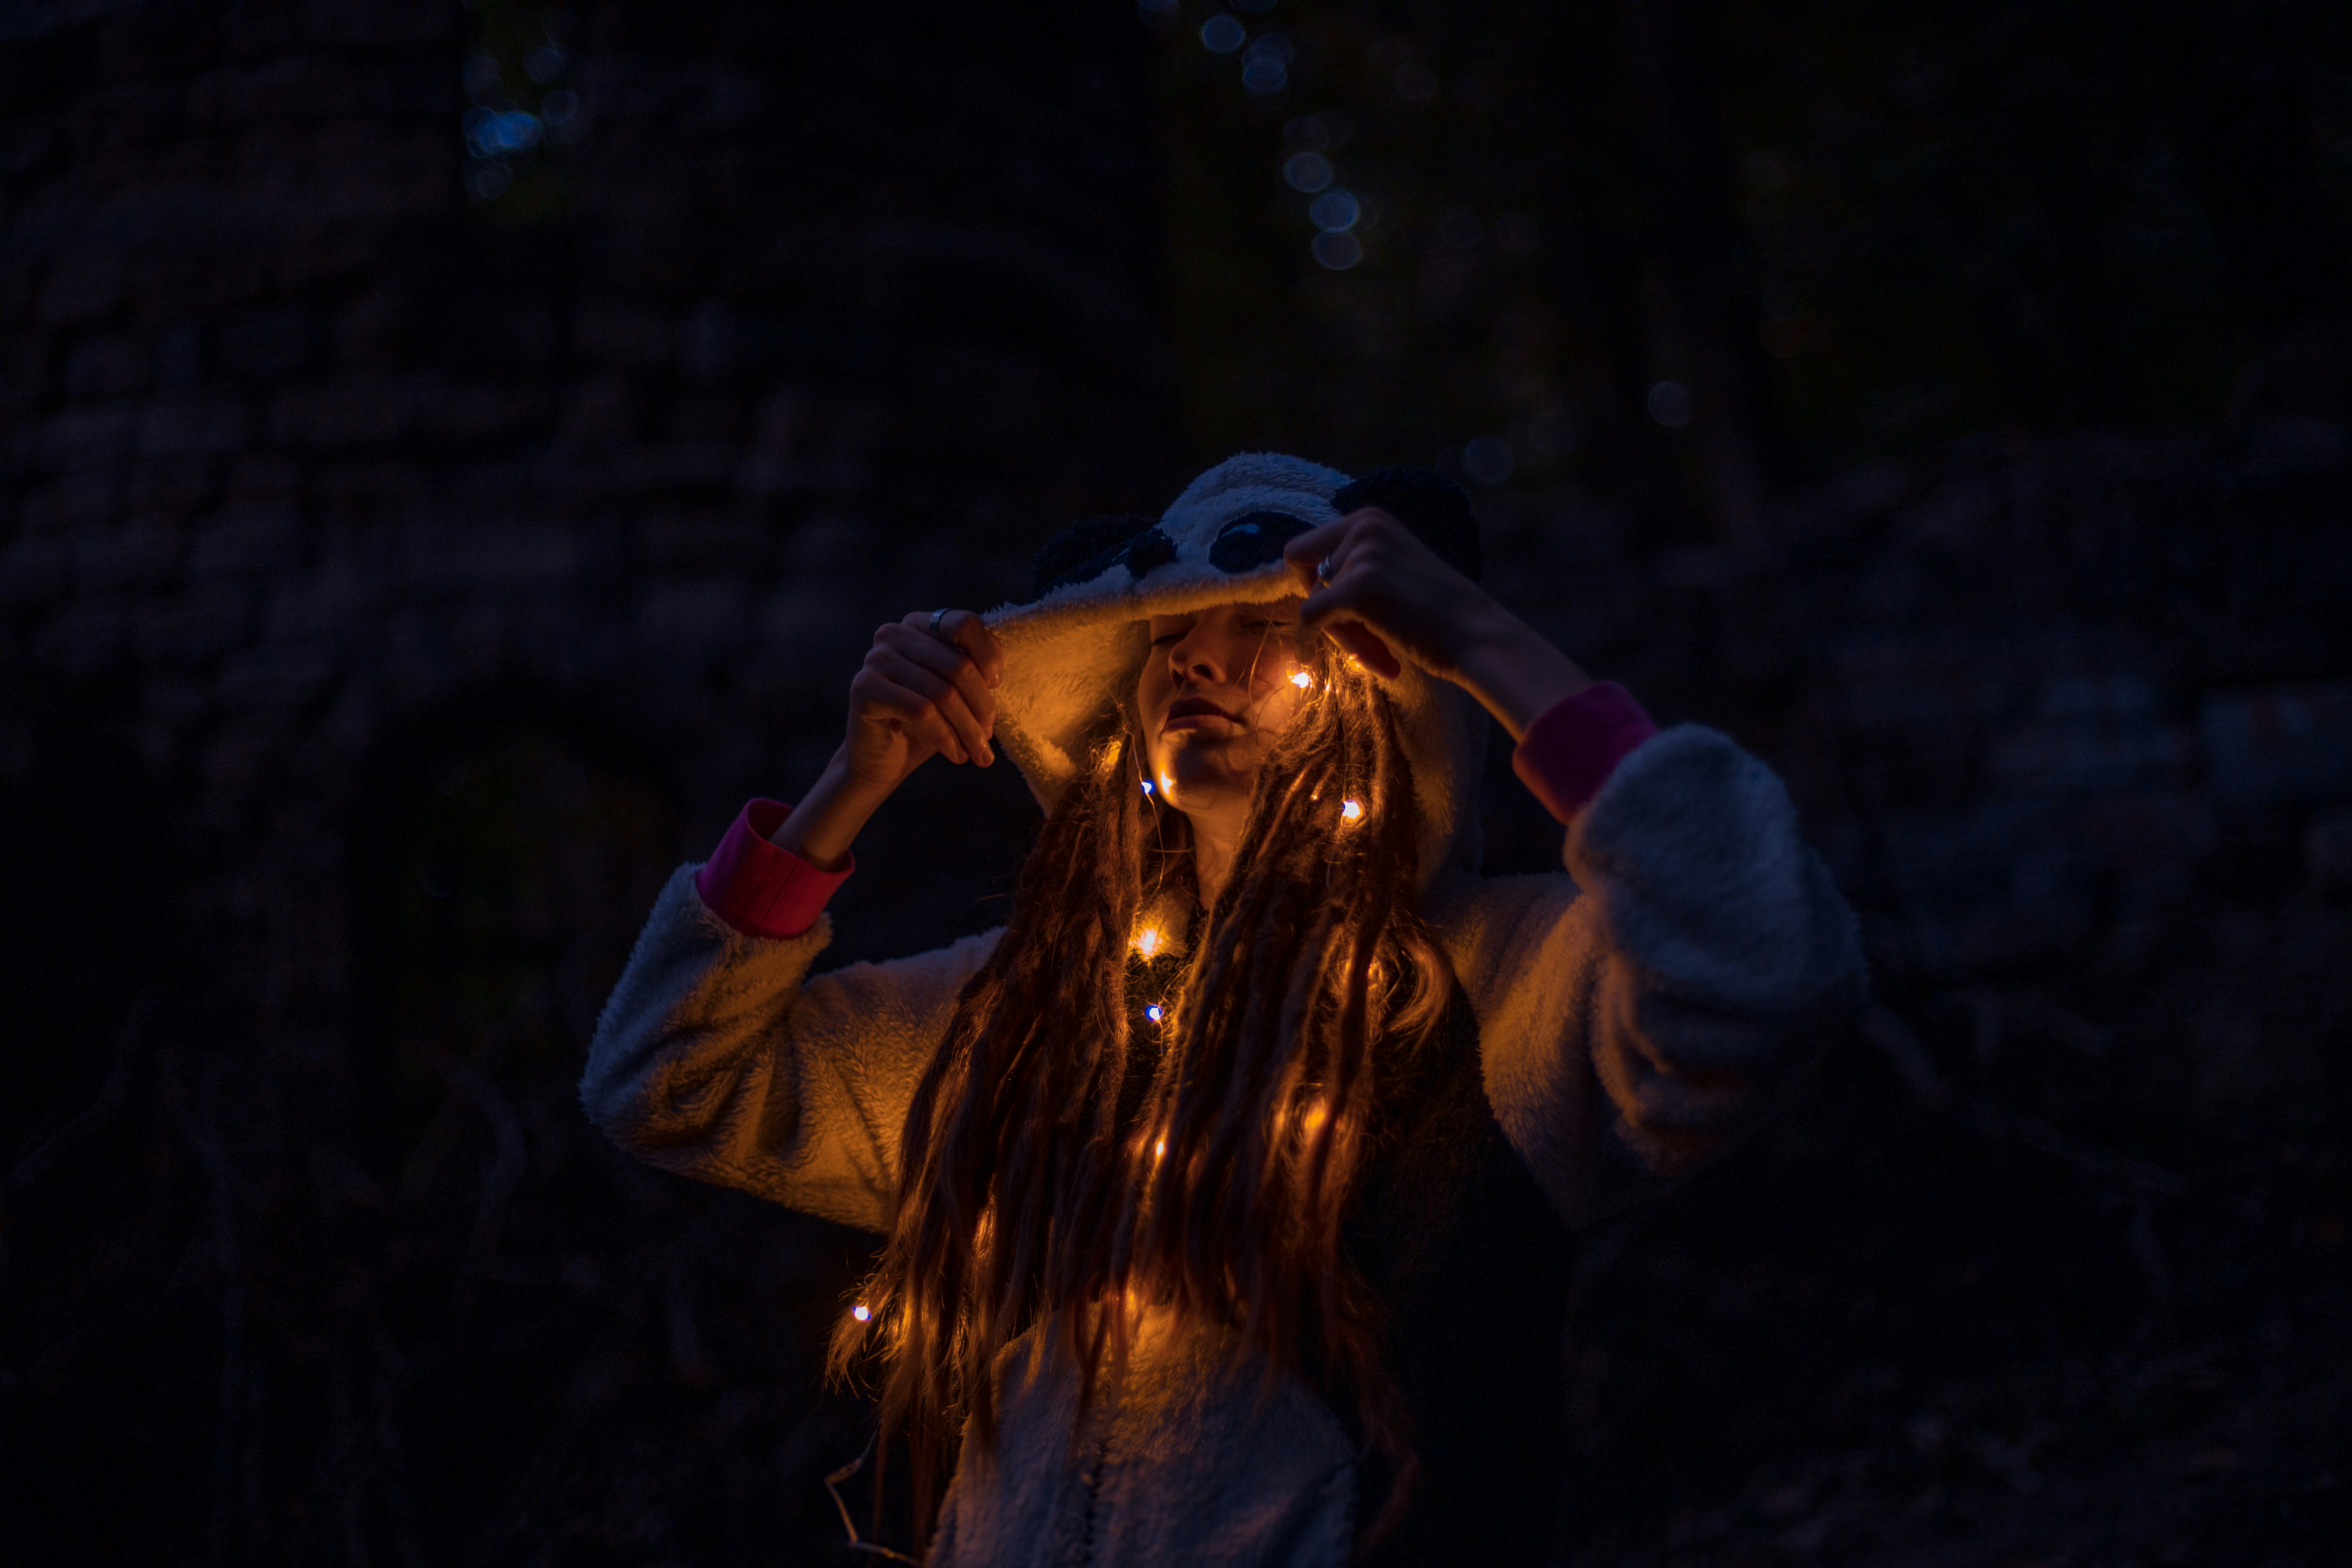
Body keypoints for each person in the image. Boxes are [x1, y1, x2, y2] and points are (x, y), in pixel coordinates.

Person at [583, 454, 1867, 1564]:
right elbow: (663, 1081)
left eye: (1263, 623)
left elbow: (1765, 967)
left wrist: (1486, 645)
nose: (1199, 653)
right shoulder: (1011, 1015)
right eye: (1166, 633)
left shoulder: (1502, 989)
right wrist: (849, 787)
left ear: (1385, 675)